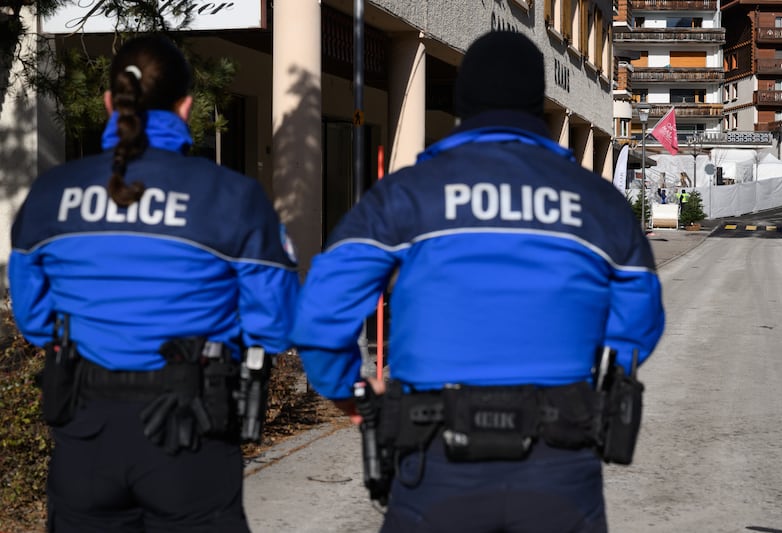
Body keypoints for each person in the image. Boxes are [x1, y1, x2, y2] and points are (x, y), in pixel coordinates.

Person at [291, 31, 664, 533]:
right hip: (559, 465)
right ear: (539, 105)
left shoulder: (405, 195)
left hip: (433, 459)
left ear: (462, 102)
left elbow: (320, 315)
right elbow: (639, 324)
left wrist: (354, 395)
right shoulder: (597, 202)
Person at [8, 35, 299, 532]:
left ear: (109, 102)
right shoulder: (232, 195)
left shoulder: (52, 192)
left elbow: (35, 322)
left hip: (86, 432)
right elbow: (274, 325)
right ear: (186, 106)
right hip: (190, 435)